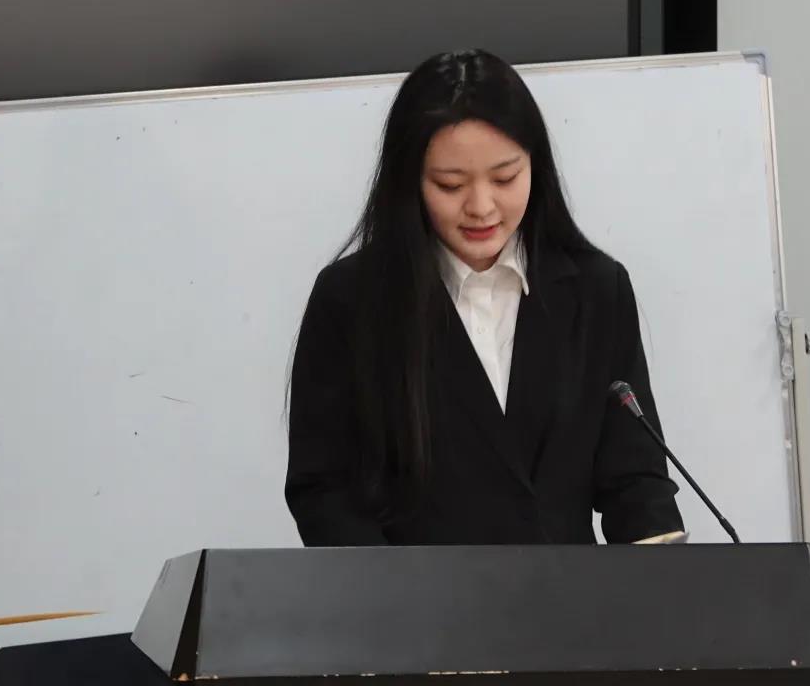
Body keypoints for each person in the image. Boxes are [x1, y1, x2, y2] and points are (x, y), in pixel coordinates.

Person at [286, 49, 683, 546]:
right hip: (416, 594)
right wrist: (390, 590)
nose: (481, 207)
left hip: (567, 593)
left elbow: (635, 477)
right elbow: (324, 490)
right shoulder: (351, 300)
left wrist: (660, 559)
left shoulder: (597, 289)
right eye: (450, 184)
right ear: (410, 181)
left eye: (505, 178)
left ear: (535, 166)